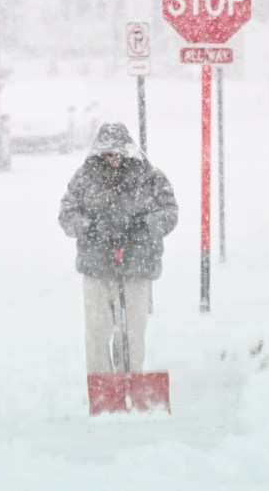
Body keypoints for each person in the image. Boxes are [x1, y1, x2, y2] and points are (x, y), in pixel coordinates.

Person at [58, 121, 178, 375]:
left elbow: (169, 213)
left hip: (137, 267)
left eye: (118, 152)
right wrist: (90, 228)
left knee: (132, 331)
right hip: (96, 269)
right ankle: (102, 385)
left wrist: (144, 226)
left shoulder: (151, 178)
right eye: (108, 153)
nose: (114, 158)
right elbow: (66, 215)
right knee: (97, 331)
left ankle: (132, 379)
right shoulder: (84, 179)